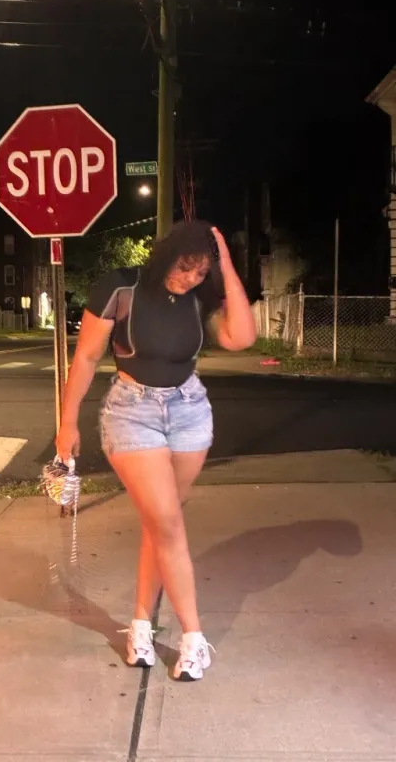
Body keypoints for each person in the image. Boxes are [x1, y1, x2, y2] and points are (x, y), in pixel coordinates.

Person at [55, 219, 256, 681]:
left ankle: (141, 627)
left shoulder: (200, 297)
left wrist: (225, 266)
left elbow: (241, 338)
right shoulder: (121, 287)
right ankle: (193, 638)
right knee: (167, 522)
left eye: (201, 272)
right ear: (167, 255)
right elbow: (86, 356)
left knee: (160, 524)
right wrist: (67, 422)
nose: (190, 278)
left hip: (189, 411)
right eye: (186, 267)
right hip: (132, 412)